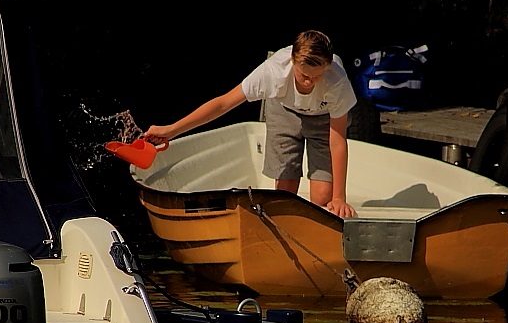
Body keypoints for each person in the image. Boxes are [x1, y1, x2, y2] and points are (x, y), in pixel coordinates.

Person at [143, 30, 357, 218]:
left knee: (322, 198)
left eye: (316, 76)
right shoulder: (272, 73)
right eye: (303, 75)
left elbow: (337, 140)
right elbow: (223, 103)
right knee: (285, 193)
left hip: (322, 117)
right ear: (292, 61)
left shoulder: (337, 82)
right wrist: (171, 130)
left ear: (327, 68)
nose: (309, 82)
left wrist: (339, 197)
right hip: (283, 111)